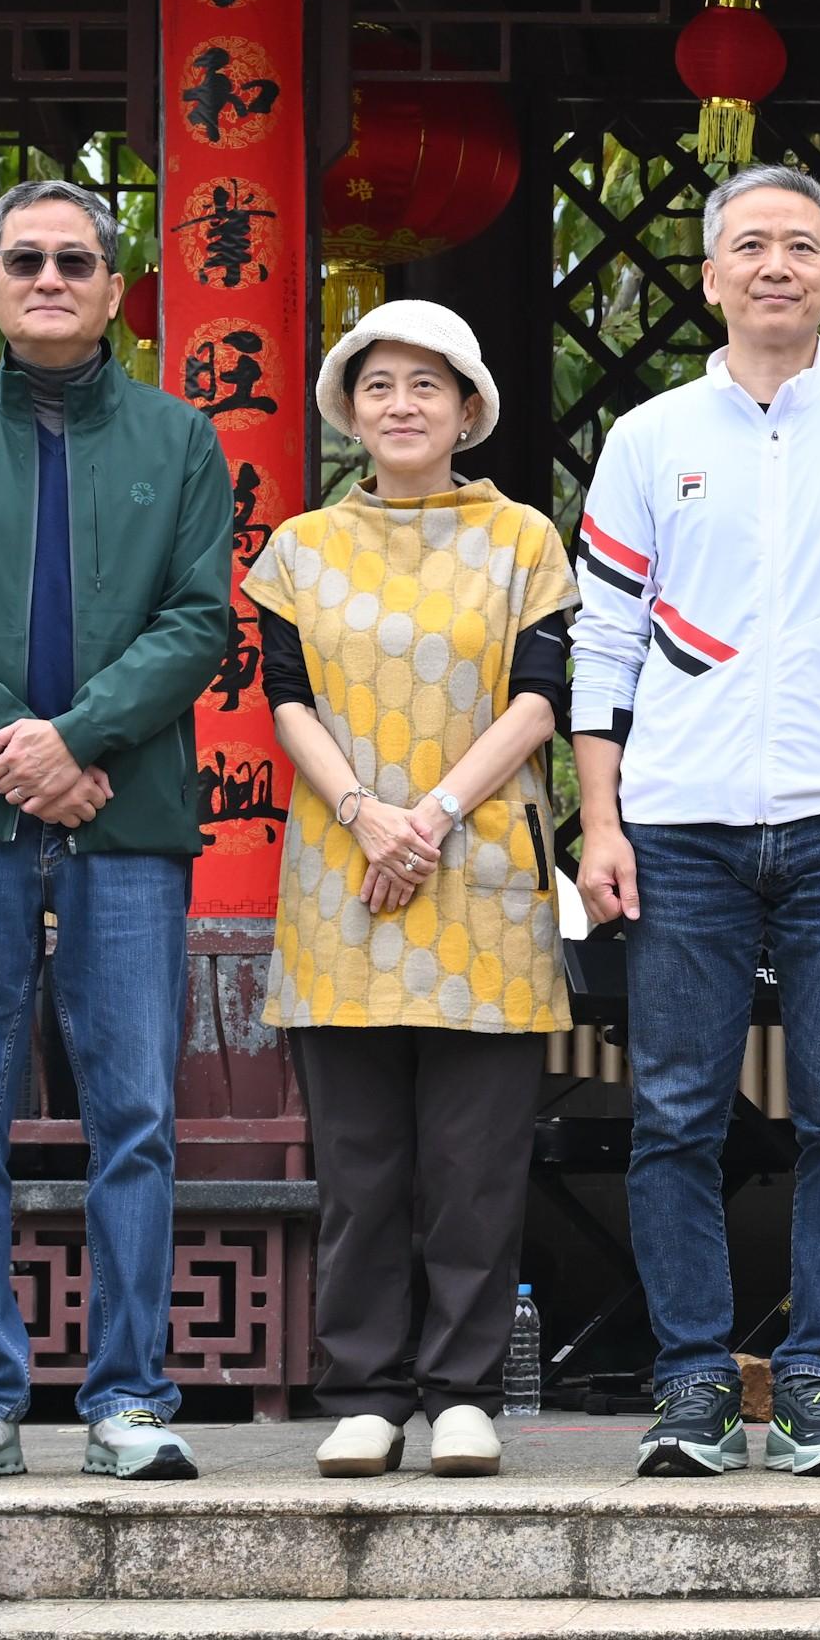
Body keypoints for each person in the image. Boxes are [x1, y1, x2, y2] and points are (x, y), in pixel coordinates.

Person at [568, 165, 820, 1480]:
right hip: (678, 820)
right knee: (678, 1110)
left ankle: (819, 1384)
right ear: (713, 276)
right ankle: (689, 1382)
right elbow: (606, 636)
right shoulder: (648, 437)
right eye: (752, 244)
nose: (777, 263)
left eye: (804, 244)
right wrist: (600, 818)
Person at [0, 180, 233, 1485]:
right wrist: (26, 753)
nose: (48, 275)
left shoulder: (179, 437)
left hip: (126, 820)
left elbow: (199, 621)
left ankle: (130, 1395)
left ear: (114, 284)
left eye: (74, 258)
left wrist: (79, 738)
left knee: (133, 1111)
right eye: (24, 257)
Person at [245, 298, 576, 1482]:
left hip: (481, 876)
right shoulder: (301, 548)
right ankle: (366, 1391)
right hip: (343, 876)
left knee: (477, 1161)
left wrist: (429, 817)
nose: (402, 405)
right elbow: (288, 700)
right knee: (362, 1159)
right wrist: (365, 814)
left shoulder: (525, 541)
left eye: (426, 386)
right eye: (379, 384)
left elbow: (539, 700)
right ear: (350, 406)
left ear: (468, 409)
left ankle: (465, 1392)